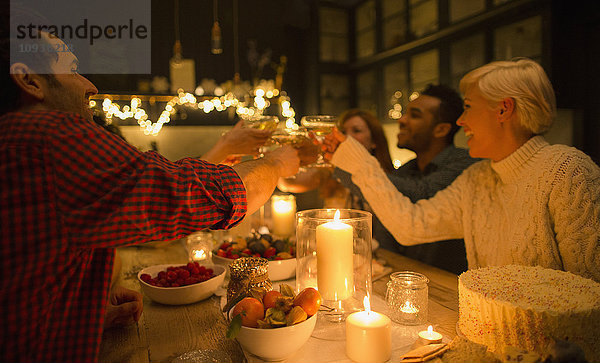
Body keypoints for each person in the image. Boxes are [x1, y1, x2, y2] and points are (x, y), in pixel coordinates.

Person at [0, 28, 303, 362]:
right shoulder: (52, 138)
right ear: (28, 80)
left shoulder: (18, 144)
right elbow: (190, 194)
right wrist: (275, 163)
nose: (90, 85)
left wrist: (83, 313)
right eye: (72, 69)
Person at [324, 58, 600, 282]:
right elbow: (410, 225)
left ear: (503, 110)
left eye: (468, 108)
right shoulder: (477, 178)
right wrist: (358, 162)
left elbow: (590, 289)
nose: (460, 120)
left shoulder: (568, 171)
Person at [335, 86, 479, 274]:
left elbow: (421, 192)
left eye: (415, 115)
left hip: (452, 286)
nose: (401, 120)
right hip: (408, 279)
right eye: (405, 113)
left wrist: (343, 162)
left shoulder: (466, 162)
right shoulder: (408, 168)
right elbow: (382, 202)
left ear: (441, 129)